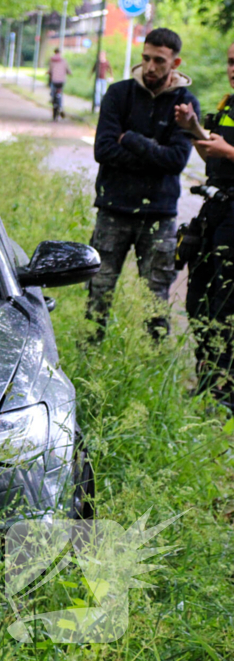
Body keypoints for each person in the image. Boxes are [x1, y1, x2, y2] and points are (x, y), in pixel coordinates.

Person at [86, 28, 199, 340]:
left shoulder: (185, 105)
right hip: (113, 209)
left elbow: (176, 161)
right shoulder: (118, 94)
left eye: (159, 61)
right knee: (98, 294)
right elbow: (103, 150)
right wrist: (154, 155)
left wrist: (131, 139)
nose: (151, 67)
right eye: (146, 58)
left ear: (175, 63)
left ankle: (152, 361)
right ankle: (88, 358)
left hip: (159, 216)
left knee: (155, 301)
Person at [175, 42, 234, 405]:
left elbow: (226, 150)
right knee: (199, 300)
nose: (233, 69)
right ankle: (206, 382)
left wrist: (227, 150)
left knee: (228, 307)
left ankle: (225, 396)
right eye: (231, 62)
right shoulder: (228, 104)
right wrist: (194, 127)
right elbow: (212, 151)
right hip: (214, 212)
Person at [47, 48, 71, 116]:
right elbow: (68, 70)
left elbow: (50, 70)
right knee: (60, 93)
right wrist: (69, 73)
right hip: (61, 81)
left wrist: (48, 72)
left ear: (54, 52)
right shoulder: (64, 61)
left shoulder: (52, 60)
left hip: (54, 80)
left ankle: (52, 97)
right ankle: (60, 107)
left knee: (52, 90)